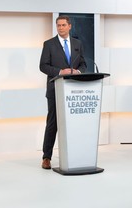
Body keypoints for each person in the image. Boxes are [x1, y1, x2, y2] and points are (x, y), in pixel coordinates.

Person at [39, 15, 87, 169]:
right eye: (58, 25)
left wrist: (78, 71)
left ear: (69, 26)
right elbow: (43, 66)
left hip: (73, 91)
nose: (60, 28)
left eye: (63, 25)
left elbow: (83, 63)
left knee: (72, 124)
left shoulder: (77, 43)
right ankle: (46, 157)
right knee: (52, 123)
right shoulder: (49, 44)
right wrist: (60, 71)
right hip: (55, 90)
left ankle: (73, 154)